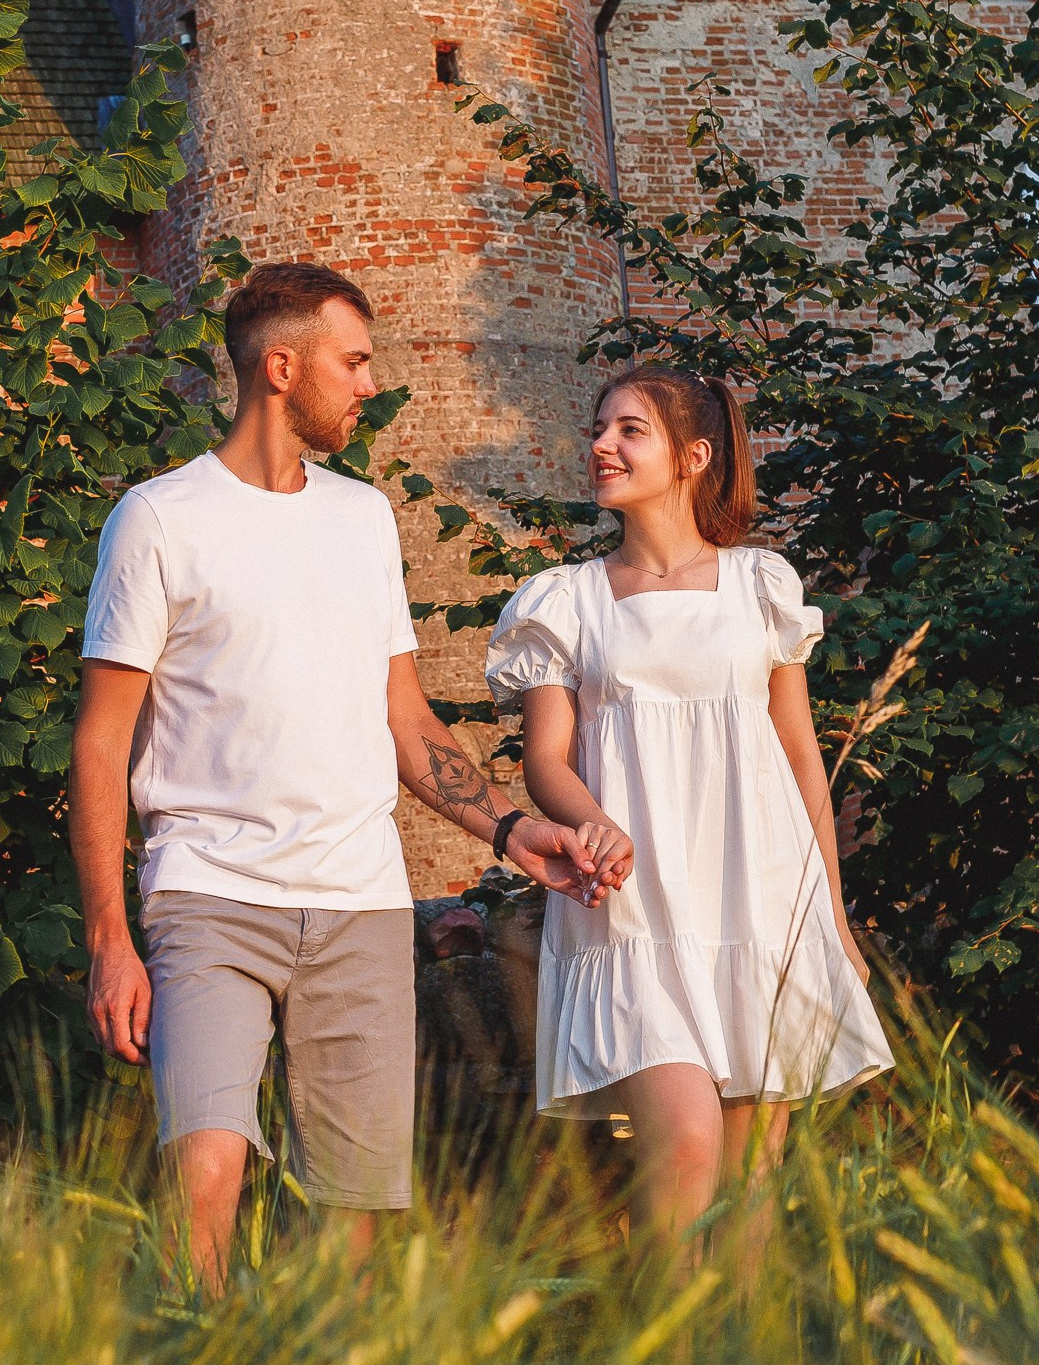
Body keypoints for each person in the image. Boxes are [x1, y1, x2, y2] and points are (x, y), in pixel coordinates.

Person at [72, 261, 625, 1289]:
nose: (368, 385)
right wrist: (110, 936)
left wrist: (511, 831)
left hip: (360, 905)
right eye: (354, 360)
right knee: (206, 1162)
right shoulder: (159, 520)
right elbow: (102, 740)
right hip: (208, 892)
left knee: (353, 1208)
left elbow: (406, 723)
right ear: (282, 367)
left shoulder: (362, 518)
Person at [487, 366, 891, 1256]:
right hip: (631, 907)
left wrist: (832, 920)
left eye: (629, 430)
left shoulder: (761, 586)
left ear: (693, 457)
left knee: (748, 1192)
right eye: (599, 428)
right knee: (686, 1150)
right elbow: (545, 760)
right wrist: (589, 819)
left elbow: (799, 759)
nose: (601, 445)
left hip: (759, 901)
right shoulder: (568, 600)